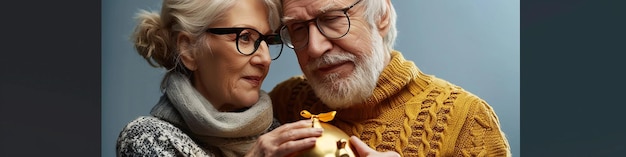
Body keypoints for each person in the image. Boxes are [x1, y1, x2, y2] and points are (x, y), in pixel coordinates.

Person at [269, 0, 512, 156]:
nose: (314, 47)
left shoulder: (468, 121)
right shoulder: (286, 101)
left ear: (382, 15)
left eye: (331, 18)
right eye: (298, 28)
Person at [115, 0, 325, 156]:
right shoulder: (146, 138)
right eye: (244, 37)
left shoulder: (280, 135)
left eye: (267, 41)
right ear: (188, 49)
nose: (265, 59)